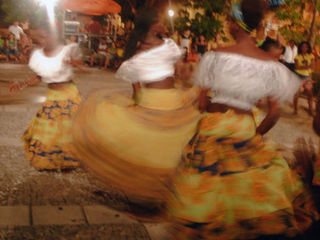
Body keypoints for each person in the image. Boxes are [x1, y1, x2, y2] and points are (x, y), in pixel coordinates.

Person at [167, 0, 319, 239]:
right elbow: (274, 112)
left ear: (235, 25)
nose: (227, 24)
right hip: (246, 131)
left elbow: (203, 104)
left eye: (228, 20)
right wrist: (254, 136)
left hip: (213, 132)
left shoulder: (216, 56)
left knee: (206, 199)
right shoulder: (271, 65)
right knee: (246, 199)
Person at [71, 8, 200, 214]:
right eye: (159, 22)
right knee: (152, 148)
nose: (164, 25)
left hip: (173, 99)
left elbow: (180, 71)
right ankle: (151, 194)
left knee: (170, 148)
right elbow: (136, 84)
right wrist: (139, 105)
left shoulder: (168, 45)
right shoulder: (139, 53)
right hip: (151, 101)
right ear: (149, 25)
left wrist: (187, 76)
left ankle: (164, 192)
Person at [9, 21, 82, 171]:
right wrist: (21, 84)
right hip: (53, 95)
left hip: (69, 94)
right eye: (38, 38)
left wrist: (73, 63)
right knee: (48, 128)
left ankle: (71, 159)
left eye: (45, 36)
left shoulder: (65, 50)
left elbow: (80, 65)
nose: (42, 40)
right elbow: (39, 77)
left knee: (69, 129)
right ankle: (54, 160)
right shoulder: (38, 56)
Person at [293, 41, 315, 116]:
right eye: (302, 47)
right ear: (300, 48)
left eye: (306, 47)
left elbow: (312, 67)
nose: (304, 48)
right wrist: (306, 67)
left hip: (307, 77)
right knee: (297, 94)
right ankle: (295, 110)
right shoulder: (297, 57)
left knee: (310, 94)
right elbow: (296, 67)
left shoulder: (311, 56)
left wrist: (302, 67)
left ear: (308, 48)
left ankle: (311, 110)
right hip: (298, 76)